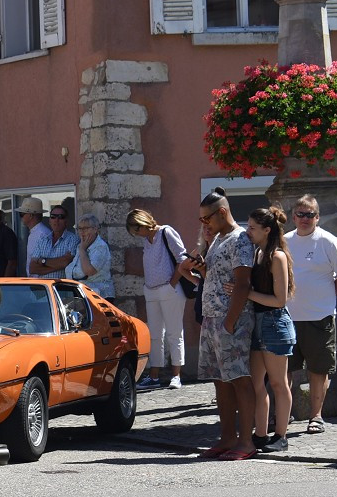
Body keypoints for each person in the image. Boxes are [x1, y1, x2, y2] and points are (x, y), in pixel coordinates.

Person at [192, 187, 256, 461]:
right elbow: (217, 277)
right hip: (212, 318)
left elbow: (243, 283)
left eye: (206, 218)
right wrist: (202, 269)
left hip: (232, 320)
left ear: (222, 212)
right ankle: (228, 437)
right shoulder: (218, 239)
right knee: (220, 381)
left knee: (239, 380)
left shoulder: (240, 238)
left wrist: (230, 322)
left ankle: (246, 441)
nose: (204, 224)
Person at [283, 194, 337, 434]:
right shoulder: (284, 241)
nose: (305, 219)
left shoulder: (328, 242)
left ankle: (316, 416)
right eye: (301, 214)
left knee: (318, 369)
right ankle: (285, 413)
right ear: (293, 217)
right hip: (287, 317)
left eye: (310, 214)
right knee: (285, 369)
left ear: (317, 217)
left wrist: (327, 296)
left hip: (319, 317)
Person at [230, 207, 295, 453]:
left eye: (253, 228)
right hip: (257, 322)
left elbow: (280, 300)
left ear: (267, 230)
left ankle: (281, 436)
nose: (248, 232)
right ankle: (260, 434)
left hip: (275, 322)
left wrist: (247, 294)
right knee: (256, 383)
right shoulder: (257, 253)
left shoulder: (277, 256)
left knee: (278, 383)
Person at [127, 208, 188, 389]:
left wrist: (172, 283)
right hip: (152, 290)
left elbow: (182, 258)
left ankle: (176, 375)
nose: (137, 234)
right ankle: (154, 376)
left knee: (174, 332)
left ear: (143, 223)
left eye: (137, 229)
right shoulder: (147, 240)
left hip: (170, 289)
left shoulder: (166, 232)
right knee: (154, 335)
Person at [66, 214, 115, 300]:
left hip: (99, 296)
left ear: (95, 229)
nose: (81, 232)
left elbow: (89, 271)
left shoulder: (100, 247)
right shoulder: (82, 245)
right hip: (83, 294)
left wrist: (82, 250)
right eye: (79, 228)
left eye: (85, 228)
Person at [29, 205, 78, 279]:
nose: (56, 220)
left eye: (61, 217)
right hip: (44, 289)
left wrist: (42, 261)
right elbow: (32, 268)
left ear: (66, 222)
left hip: (63, 288)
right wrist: (60, 265)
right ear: (49, 221)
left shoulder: (73, 239)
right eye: (53, 216)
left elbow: (66, 262)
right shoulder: (42, 239)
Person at [17, 197, 49, 276]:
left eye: (22, 214)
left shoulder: (42, 234)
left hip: (40, 282)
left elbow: (46, 262)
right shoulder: (34, 233)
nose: (21, 217)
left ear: (30, 215)